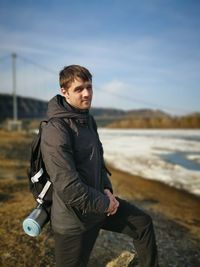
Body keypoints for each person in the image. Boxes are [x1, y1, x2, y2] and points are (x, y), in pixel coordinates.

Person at [41, 65, 159, 267]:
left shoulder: (88, 120)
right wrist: (106, 203)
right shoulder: (56, 129)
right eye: (79, 89)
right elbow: (68, 188)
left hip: (98, 206)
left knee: (143, 224)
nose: (87, 94)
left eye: (89, 87)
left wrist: (107, 190)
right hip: (74, 221)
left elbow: (98, 162)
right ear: (64, 92)